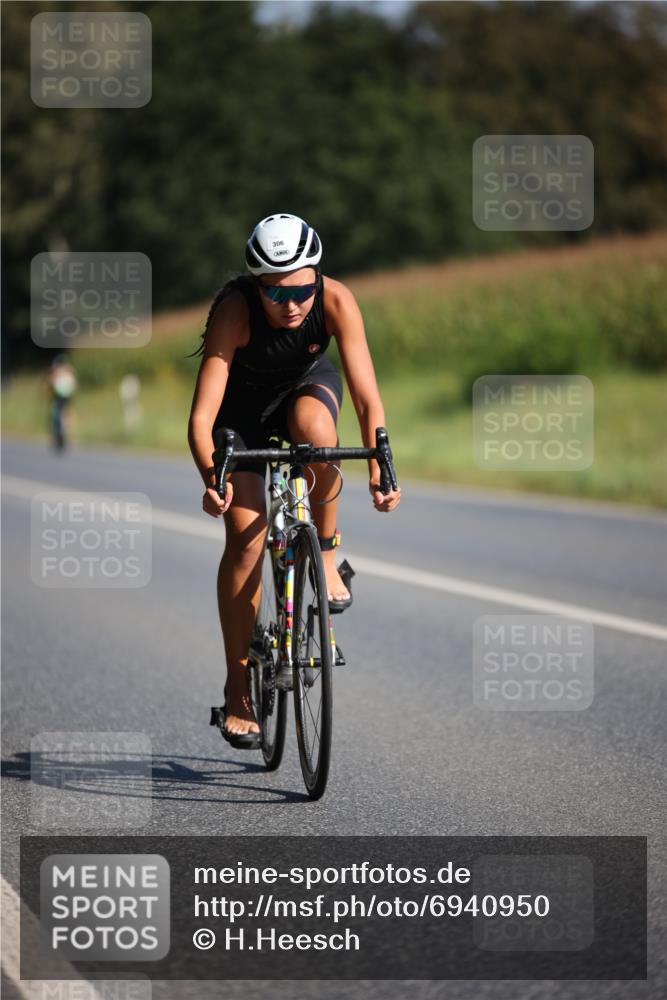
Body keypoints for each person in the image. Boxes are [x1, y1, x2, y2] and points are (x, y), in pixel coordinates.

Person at [188, 214, 401, 747]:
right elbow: (200, 418)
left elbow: (366, 396)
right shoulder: (235, 312)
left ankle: (325, 554)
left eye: (302, 287)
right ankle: (239, 691)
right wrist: (212, 477)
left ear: (316, 277)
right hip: (241, 414)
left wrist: (379, 460)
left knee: (318, 433)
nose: (293, 303)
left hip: (305, 389)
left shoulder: (335, 300)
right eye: (277, 292)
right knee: (246, 535)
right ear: (258, 285)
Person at [48, 354, 77, 451]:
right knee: (64, 415)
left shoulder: (59, 372)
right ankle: (64, 434)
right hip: (66, 396)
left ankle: (60, 435)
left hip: (60, 397)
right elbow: (75, 385)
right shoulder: (69, 372)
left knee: (57, 414)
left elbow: (52, 384)